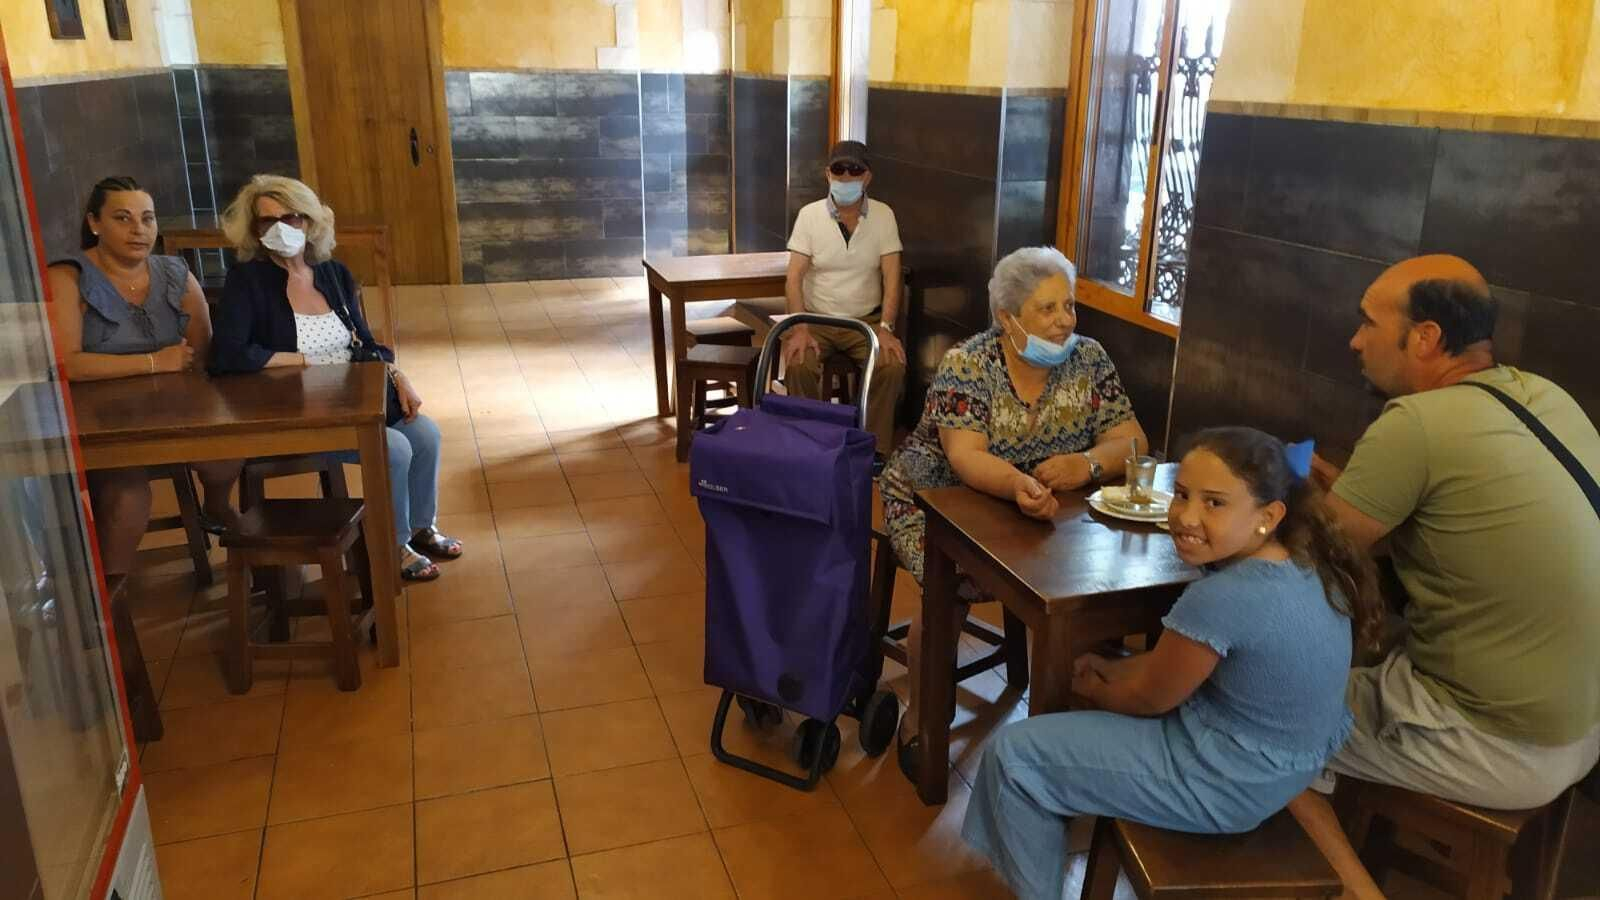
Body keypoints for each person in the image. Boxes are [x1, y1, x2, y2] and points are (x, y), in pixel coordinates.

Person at [1287, 255, 1600, 899]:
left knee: (1263, 709)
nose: (1354, 339)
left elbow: (1316, 557)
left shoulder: (1416, 424)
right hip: (1581, 726)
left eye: (1369, 322)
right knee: (1367, 651)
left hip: (1498, 741)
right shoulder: (1547, 397)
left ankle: (1354, 891)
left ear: (1425, 337)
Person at [961, 427, 1382, 900]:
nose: (1186, 516)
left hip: (1225, 781)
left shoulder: (1224, 597)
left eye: (1214, 503)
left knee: (1014, 757)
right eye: (1181, 494)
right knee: (1112, 672)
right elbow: (1175, 671)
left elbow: (1148, 697)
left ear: (1268, 516)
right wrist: (1116, 673)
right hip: (1285, 767)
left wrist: (1096, 687)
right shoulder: (1309, 566)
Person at [880, 246, 1147, 778]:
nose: (1064, 321)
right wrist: (1021, 484)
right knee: (948, 588)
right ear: (1008, 318)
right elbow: (966, 456)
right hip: (934, 500)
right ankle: (924, 717)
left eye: (1069, 306)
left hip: (1042, 509)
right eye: (1047, 309)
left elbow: (1132, 440)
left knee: (1091, 589)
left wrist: (1087, 464)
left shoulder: (1089, 359)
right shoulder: (968, 364)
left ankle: (1072, 736)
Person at [209, 175, 461, 582]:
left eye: (290, 218)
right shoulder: (248, 280)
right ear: (254, 231)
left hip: (353, 396)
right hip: (296, 407)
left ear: (308, 222)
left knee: (425, 434)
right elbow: (226, 354)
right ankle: (392, 545)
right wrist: (298, 361)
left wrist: (396, 374)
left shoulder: (332, 274)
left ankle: (419, 527)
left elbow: (363, 340)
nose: (279, 229)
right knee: (393, 448)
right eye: (266, 222)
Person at [44, 176, 242, 576]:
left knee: (227, 452)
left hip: (176, 407)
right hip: (105, 419)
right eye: (123, 218)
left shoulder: (174, 272)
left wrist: (192, 393)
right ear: (95, 222)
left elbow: (202, 351)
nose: (139, 229)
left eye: (147, 219)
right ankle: (110, 605)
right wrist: (155, 362)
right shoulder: (68, 277)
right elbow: (67, 362)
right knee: (127, 498)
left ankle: (217, 509)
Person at [781, 139, 906, 455]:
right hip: (816, 319)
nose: (846, 178)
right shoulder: (809, 216)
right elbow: (793, 278)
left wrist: (886, 329)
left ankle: (873, 450)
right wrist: (800, 328)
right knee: (798, 362)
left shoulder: (883, 215)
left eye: (855, 171)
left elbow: (893, 278)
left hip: (865, 321)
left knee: (890, 364)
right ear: (828, 174)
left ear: (867, 177)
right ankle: (809, 445)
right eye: (839, 170)